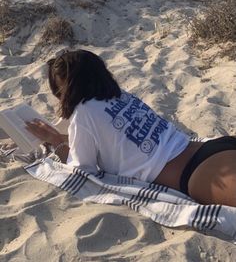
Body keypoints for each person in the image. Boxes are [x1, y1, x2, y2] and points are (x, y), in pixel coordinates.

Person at [26, 50, 236, 207]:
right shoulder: (119, 94)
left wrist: (56, 141)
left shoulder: (84, 112)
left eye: (60, 91)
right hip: (210, 149)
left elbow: (82, 172)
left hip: (199, 173)